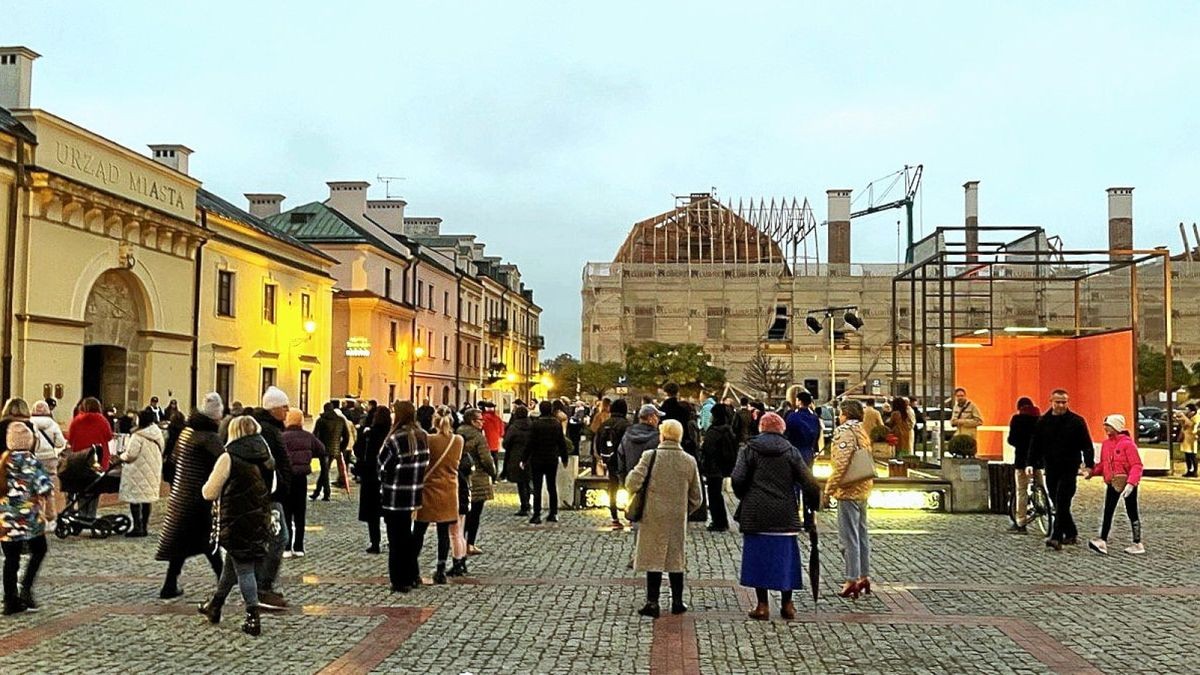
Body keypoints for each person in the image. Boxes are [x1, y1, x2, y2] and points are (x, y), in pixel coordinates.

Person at [733, 412, 820, 620]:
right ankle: (787, 604)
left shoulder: (749, 450)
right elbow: (809, 481)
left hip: (756, 512)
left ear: (761, 428)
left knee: (758, 559)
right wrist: (812, 506)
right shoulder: (791, 451)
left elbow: (737, 478)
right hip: (785, 512)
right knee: (786, 559)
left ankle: (762, 605)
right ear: (782, 430)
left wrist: (745, 494)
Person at [199, 416, 274, 637]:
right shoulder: (266, 455)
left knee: (243, 568)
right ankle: (215, 605)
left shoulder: (228, 457)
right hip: (259, 517)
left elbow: (209, 492)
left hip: (236, 520)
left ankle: (253, 616)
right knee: (233, 565)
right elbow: (274, 485)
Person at [626, 419, 703, 618]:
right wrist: (684, 510)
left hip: (653, 515)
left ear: (662, 435)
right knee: (676, 559)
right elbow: (697, 497)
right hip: (677, 517)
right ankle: (677, 601)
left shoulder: (650, 456)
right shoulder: (689, 461)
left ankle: (652, 602)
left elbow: (632, 483)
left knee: (654, 559)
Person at [156, 393, 226, 600]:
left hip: (180, 495)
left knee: (183, 543)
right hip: (198, 497)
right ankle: (224, 580)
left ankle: (169, 584)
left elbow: (173, 461)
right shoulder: (209, 437)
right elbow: (224, 462)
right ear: (215, 416)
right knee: (208, 541)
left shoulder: (187, 432)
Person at [1025, 389, 1094, 551]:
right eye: (1058, 402)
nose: (1061, 405)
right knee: (1057, 500)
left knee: (1063, 500)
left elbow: (1087, 445)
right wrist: (1030, 463)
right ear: (1051, 401)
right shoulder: (1043, 421)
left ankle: (1056, 537)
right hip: (1051, 467)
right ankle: (1071, 532)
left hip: (1070, 467)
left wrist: (1089, 465)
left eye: (1064, 402)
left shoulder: (1077, 421)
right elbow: (1035, 445)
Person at [0, 420, 53, 614]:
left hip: (5, 521)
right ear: (29, 441)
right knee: (39, 550)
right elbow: (44, 486)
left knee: (10, 559)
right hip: (28, 520)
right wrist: (49, 509)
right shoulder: (31, 461)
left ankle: (9, 600)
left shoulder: (3, 461)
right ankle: (26, 588)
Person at [824, 399, 874, 599]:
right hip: (863, 486)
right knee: (861, 534)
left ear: (845, 413)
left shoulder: (845, 431)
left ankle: (851, 578)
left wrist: (830, 487)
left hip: (849, 488)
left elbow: (842, 463)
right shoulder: (861, 430)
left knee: (848, 536)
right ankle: (863, 575)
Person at [378, 401, 430, 593]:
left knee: (396, 539)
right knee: (407, 536)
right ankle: (412, 575)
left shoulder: (395, 439)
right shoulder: (422, 436)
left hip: (394, 495)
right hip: (414, 493)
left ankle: (399, 580)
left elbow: (382, 467)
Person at [249, 386, 292, 610]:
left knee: (268, 540)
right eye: (284, 407)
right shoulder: (267, 431)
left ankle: (258, 586)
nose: (287, 411)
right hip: (269, 495)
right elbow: (268, 464)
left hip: (271, 494)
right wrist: (281, 484)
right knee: (279, 538)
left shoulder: (270, 428)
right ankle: (262, 587)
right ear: (274, 408)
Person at [414, 406, 463, 584]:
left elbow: (422, 461)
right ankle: (441, 570)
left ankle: (414, 569)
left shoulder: (428, 439)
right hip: (449, 490)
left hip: (428, 489)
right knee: (444, 533)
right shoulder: (458, 440)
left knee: (419, 530)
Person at [1087, 415, 1145, 555]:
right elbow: (1103, 464)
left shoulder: (1128, 444)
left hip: (1127, 482)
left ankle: (1137, 542)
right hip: (1112, 482)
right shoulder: (1106, 444)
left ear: (1117, 427)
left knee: (1132, 511)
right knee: (1108, 511)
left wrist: (1131, 483)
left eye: (1109, 425)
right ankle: (1102, 540)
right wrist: (1092, 472)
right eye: (1105, 425)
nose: (1106, 428)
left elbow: (1136, 465)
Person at [116, 409, 164, 538]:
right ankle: (144, 526)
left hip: (137, 470)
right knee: (146, 499)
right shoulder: (157, 433)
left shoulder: (138, 436)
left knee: (135, 499)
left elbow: (131, 454)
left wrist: (121, 456)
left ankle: (137, 526)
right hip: (152, 469)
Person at [281, 410, 322, 557]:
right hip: (301, 479)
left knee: (286, 513)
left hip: (286, 478)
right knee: (300, 513)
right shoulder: (308, 436)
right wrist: (308, 455)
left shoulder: (282, 437)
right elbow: (321, 450)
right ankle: (299, 546)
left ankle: (286, 547)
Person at [66, 397, 113, 519]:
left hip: (80, 459)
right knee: (94, 488)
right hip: (98, 459)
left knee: (82, 488)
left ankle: (82, 514)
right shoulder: (102, 420)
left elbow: (70, 439)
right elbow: (109, 436)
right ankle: (91, 514)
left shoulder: (77, 420)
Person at [459, 409, 497, 555]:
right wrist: (493, 473)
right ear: (472, 421)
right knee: (475, 514)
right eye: (480, 420)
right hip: (478, 477)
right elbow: (486, 459)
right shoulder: (478, 437)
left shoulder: (458, 433)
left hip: (462, 477)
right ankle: (470, 544)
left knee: (463, 513)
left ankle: (459, 541)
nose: (482, 422)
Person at [525, 400, 568, 524]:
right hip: (551, 459)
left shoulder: (536, 424)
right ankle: (553, 513)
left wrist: (524, 458)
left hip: (537, 459)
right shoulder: (556, 424)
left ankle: (537, 514)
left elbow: (530, 443)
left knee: (537, 487)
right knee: (551, 486)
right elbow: (562, 443)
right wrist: (564, 458)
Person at [355, 405, 391, 554]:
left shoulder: (369, 433)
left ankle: (375, 542)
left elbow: (358, 450)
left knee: (372, 513)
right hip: (388, 477)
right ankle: (391, 539)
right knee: (389, 511)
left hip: (370, 475)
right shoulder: (391, 434)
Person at [1006, 397, 1041, 534]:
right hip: (1038, 459)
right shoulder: (1040, 418)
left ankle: (1021, 522)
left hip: (1022, 460)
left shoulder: (1017, 419)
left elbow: (1012, 439)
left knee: (1021, 490)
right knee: (1040, 484)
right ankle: (1045, 505)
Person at [700, 403, 738, 532]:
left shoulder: (714, 431)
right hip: (722, 466)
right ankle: (721, 521)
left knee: (714, 494)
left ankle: (719, 522)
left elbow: (707, 448)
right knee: (717, 494)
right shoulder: (728, 429)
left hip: (713, 466)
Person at [594, 399, 631, 528]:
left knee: (612, 487)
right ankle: (630, 514)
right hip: (624, 460)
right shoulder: (626, 425)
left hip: (610, 460)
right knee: (629, 486)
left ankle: (614, 516)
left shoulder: (605, 424)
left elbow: (598, 443)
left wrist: (602, 457)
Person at [29, 400, 65, 527]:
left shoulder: (29, 423)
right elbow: (60, 443)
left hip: (34, 458)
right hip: (50, 458)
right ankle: (50, 516)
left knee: (33, 490)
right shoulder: (53, 424)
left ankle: (36, 517)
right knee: (49, 489)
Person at [311, 401, 348, 501]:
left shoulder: (321, 420)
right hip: (335, 449)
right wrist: (341, 448)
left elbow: (314, 436)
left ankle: (326, 493)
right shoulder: (340, 420)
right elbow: (346, 436)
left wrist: (314, 448)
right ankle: (317, 492)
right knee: (325, 470)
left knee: (325, 470)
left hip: (322, 449)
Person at [502, 405, 533, 516]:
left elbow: (506, 443)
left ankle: (524, 505)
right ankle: (528, 503)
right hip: (530, 456)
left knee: (521, 483)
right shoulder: (532, 425)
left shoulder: (514, 427)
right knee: (528, 480)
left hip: (516, 456)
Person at [619, 405, 661, 485]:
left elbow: (621, 460)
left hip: (630, 481)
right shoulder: (657, 438)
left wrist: (623, 481)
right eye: (657, 416)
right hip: (651, 484)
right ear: (650, 418)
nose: (658, 420)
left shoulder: (627, 436)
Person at [480, 402, 505, 468]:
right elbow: (502, 432)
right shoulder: (498, 418)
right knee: (495, 456)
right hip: (495, 441)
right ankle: (495, 471)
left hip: (485, 441)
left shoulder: (483, 418)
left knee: (486, 458)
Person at [1179, 404, 1198, 477]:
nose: (1187, 411)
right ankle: (1189, 470)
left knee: (1192, 455)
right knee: (1187, 455)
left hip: (1192, 437)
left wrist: (1185, 418)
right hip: (1186, 437)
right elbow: (1184, 426)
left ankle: (1195, 471)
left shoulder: (1196, 417)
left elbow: (1191, 425)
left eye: (1188, 409)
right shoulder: (1188, 416)